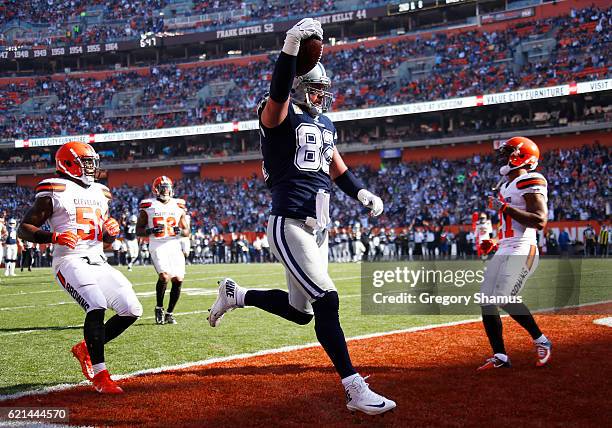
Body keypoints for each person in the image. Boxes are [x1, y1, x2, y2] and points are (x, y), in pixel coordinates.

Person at [207, 18, 395, 415]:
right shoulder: (277, 112)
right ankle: (355, 389)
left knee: (299, 312)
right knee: (327, 301)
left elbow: (336, 167)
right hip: (290, 221)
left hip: (320, 228)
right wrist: (290, 48)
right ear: (295, 86)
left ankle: (236, 295)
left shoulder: (324, 123)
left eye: (323, 89)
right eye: (313, 87)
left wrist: (361, 192)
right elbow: (277, 94)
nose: (320, 94)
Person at [17, 141, 142, 394]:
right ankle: (100, 375)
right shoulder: (55, 188)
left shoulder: (101, 191)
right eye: (86, 162)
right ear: (69, 162)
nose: (91, 167)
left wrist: (109, 234)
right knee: (96, 303)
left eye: (92, 163)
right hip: (69, 260)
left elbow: (104, 238)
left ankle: (85, 348)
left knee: (132, 309)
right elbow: (24, 228)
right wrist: (53, 237)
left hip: (97, 259)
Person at [479, 136, 552, 370]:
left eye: (509, 152)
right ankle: (500, 356)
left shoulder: (530, 179)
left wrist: (505, 207)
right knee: (486, 300)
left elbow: (540, 220)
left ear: (523, 157)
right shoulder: (506, 184)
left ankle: (541, 340)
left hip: (524, 247)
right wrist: (496, 240)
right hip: (507, 246)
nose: (503, 156)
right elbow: (512, 222)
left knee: (502, 296)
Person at [136, 176, 190, 325]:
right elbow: (138, 230)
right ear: (156, 190)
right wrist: (150, 230)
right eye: (162, 188)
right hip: (157, 244)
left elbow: (187, 231)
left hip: (174, 244)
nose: (165, 191)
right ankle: (159, 307)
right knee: (165, 276)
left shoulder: (178, 205)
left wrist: (180, 231)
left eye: (167, 188)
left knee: (178, 279)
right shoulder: (148, 205)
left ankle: (169, 313)